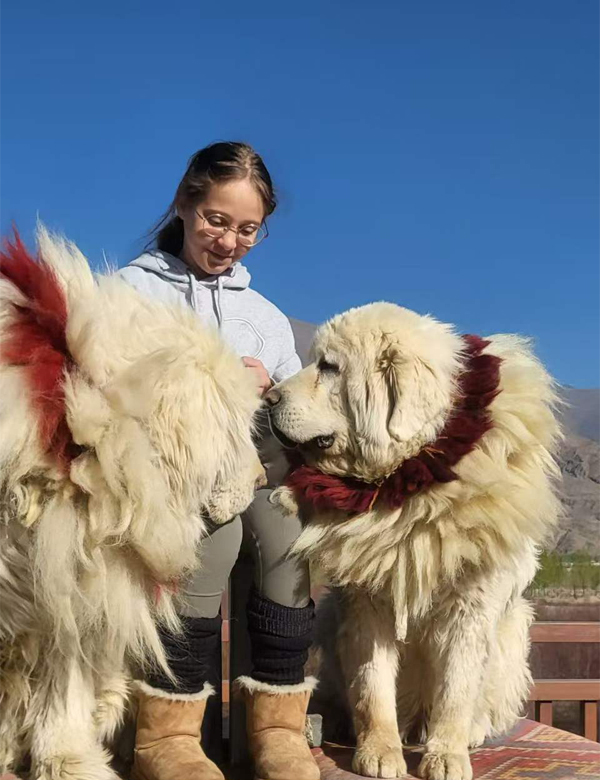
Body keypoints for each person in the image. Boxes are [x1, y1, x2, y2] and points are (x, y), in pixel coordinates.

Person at [118, 142, 319, 780]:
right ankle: (169, 737)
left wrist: (272, 385)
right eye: (216, 220)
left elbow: (299, 414)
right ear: (184, 203)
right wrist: (200, 381)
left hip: (257, 457)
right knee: (214, 529)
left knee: (287, 533)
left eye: (247, 229)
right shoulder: (129, 293)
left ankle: (277, 732)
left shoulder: (264, 317)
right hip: (169, 468)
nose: (229, 239)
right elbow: (106, 388)